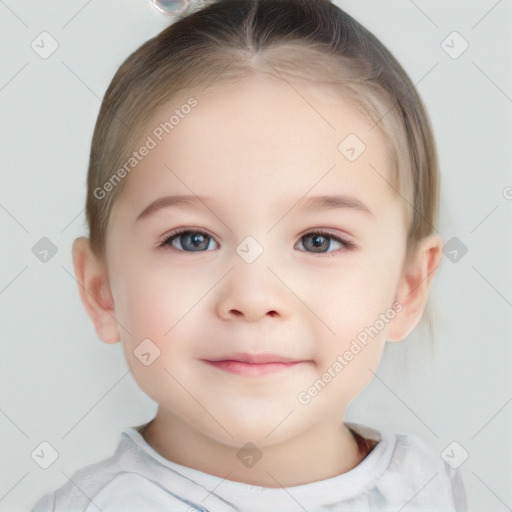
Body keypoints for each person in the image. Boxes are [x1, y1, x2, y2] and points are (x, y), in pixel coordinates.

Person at [32, 0, 469, 510]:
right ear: (101, 290)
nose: (254, 298)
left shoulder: (426, 489)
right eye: (192, 239)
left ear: (406, 288)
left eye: (318, 240)